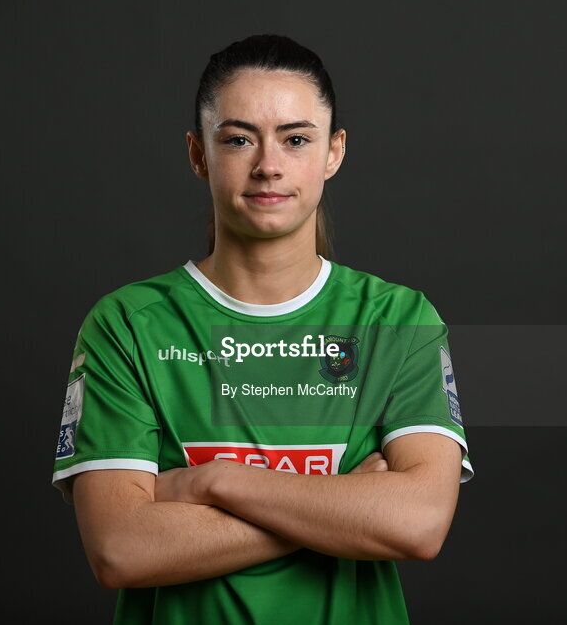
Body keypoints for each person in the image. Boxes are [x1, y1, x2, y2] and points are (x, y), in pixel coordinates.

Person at [51, 34, 474, 624]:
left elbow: (420, 524)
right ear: (199, 154)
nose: (268, 165)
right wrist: (346, 505)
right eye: (239, 139)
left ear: (334, 151)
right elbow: (120, 549)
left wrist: (215, 482)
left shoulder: (398, 320)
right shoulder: (125, 326)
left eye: (296, 139)